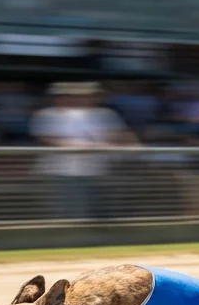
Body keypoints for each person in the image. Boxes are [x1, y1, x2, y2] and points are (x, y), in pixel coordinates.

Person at [29, 82, 137, 219]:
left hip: (99, 171)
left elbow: (121, 134)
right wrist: (93, 146)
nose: (83, 98)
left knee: (102, 213)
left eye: (89, 95)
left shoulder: (106, 114)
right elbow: (50, 139)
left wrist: (130, 144)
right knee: (70, 214)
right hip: (61, 173)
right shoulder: (47, 114)